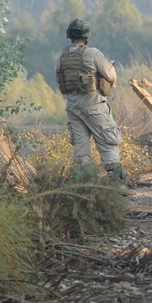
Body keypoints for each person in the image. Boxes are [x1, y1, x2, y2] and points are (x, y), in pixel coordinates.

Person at [55, 19, 125, 181]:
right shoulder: (92, 53)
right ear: (86, 36)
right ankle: (115, 180)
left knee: (81, 149)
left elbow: (60, 79)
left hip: (73, 109)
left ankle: (85, 182)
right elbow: (111, 75)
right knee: (109, 140)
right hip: (94, 106)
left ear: (69, 36)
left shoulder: (62, 56)